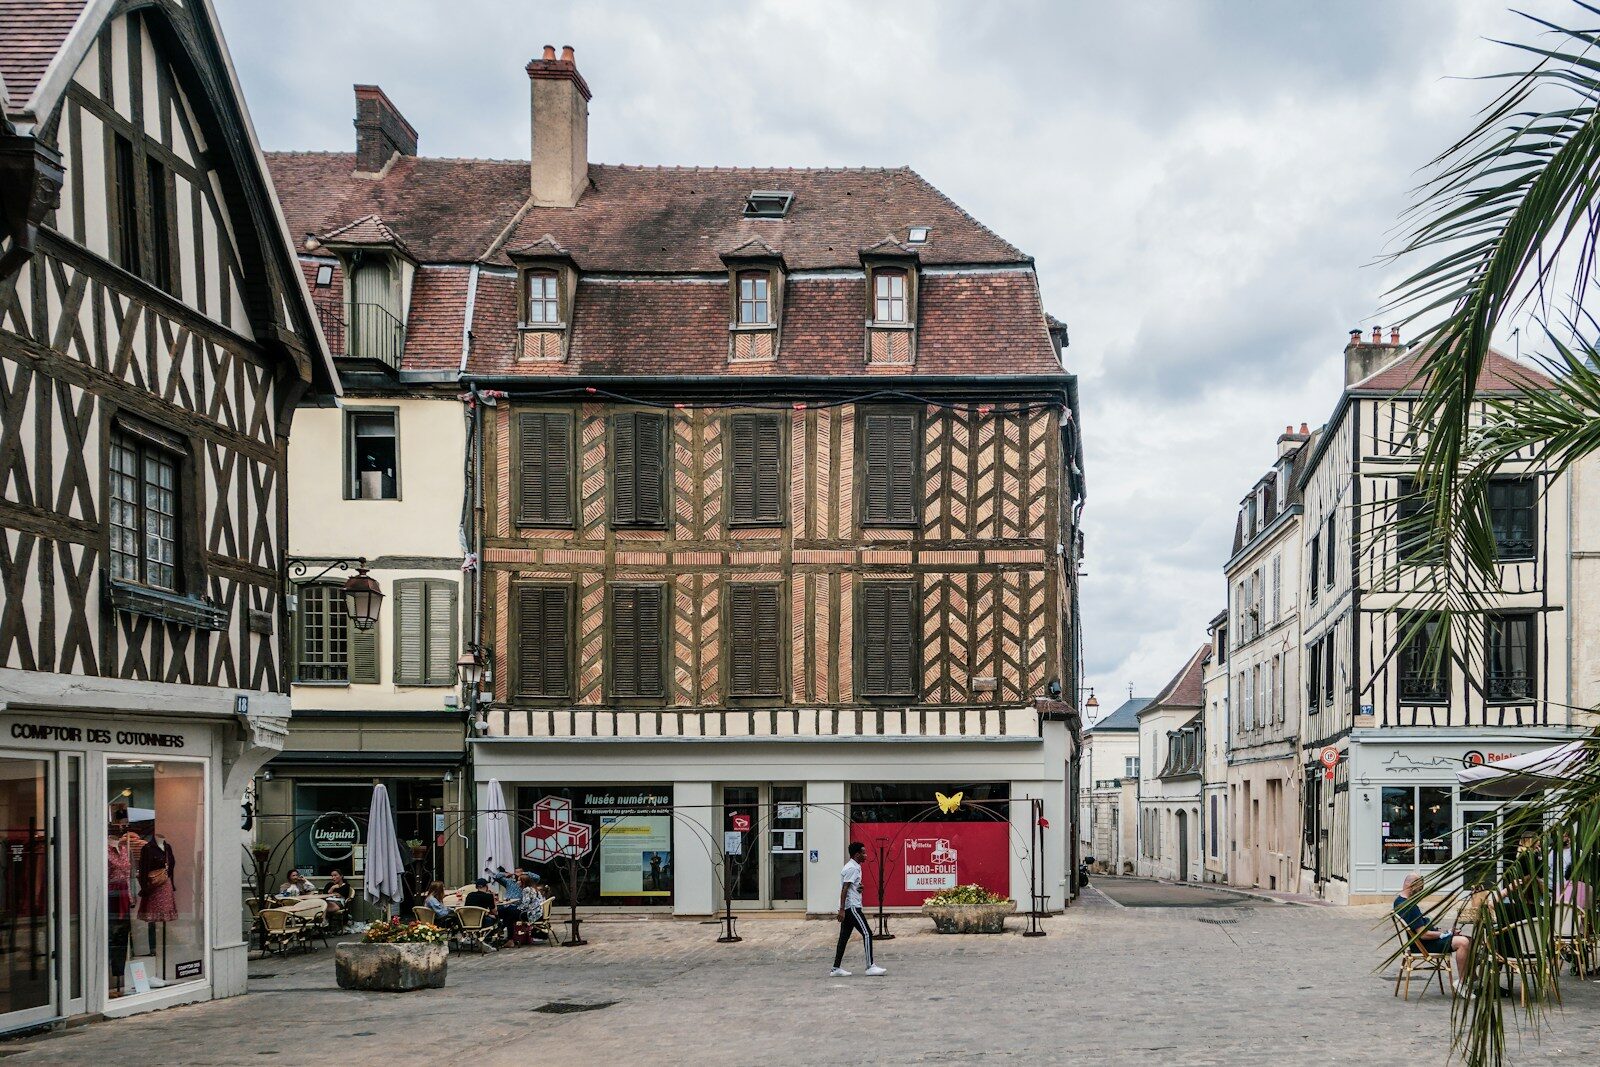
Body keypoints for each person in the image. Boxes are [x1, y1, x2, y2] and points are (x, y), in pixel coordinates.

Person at [1395, 873, 1470, 995]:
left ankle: (1472, 979)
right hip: (1423, 945)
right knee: (1463, 942)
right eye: (1420, 889)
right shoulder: (1410, 906)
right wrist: (1444, 934)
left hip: (1421, 941)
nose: (1420, 892)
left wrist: (1445, 932)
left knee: (1469, 940)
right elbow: (1423, 934)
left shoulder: (1399, 901)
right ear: (1412, 885)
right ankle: (1461, 983)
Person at [830, 841, 885, 977]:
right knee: (867, 933)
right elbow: (844, 889)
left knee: (843, 938)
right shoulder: (852, 868)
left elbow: (851, 886)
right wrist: (842, 909)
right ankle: (870, 966)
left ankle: (836, 968)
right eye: (863, 853)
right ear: (856, 854)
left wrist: (859, 888)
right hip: (852, 907)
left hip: (850, 906)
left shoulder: (855, 867)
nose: (866, 855)